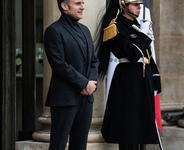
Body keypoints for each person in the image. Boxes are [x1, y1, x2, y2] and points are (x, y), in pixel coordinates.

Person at [96, 0, 162, 150]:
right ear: (124, 6)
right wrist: (144, 35)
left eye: (140, 4)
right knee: (129, 128)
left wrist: (155, 81)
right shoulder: (114, 27)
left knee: (142, 127)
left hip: (143, 81)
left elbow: (148, 56)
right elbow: (132, 54)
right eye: (135, 4)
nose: (140, 7)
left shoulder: (139, 25)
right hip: (128, 82)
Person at [44, 0, 99, 150]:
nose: (83, 7)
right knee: (58, 146)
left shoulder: (85, 30)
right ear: (64, 6)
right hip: (64, 99)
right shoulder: (53, 30)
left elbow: (94, 61)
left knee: (80, 146)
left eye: (83, 2)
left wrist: (91, 84)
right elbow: (59, 64)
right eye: (77, 3)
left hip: (86, 98)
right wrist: (83, 84)